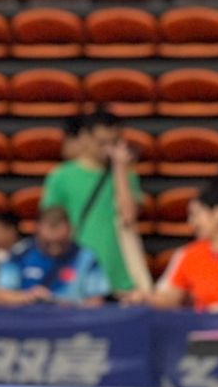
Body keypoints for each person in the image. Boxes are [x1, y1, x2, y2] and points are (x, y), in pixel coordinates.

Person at [39, 108, 142, 295]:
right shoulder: (61, 177)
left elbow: (128, 217)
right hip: (76, 273)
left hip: (118, 274)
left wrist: (120, 169)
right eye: (102, 143)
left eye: (114, 143)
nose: (108, 149)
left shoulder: (126, 176)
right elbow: (51, 225)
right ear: (85, 137)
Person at [147, 185, 218, 314]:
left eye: (196, 215)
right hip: (203, 323)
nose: (192, 222)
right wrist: (146, 297)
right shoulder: (189, 254)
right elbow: (170, 295)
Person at [0, 206, 110, 306]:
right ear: (38, 231)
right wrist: (28, 297)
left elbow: (96, 302)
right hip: (26, 321)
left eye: (61, 242)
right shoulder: (20, 253)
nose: (55, 249)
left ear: (70, 231)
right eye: (47, 243)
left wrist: (60, 303)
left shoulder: (87, 258)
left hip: (71, 321)